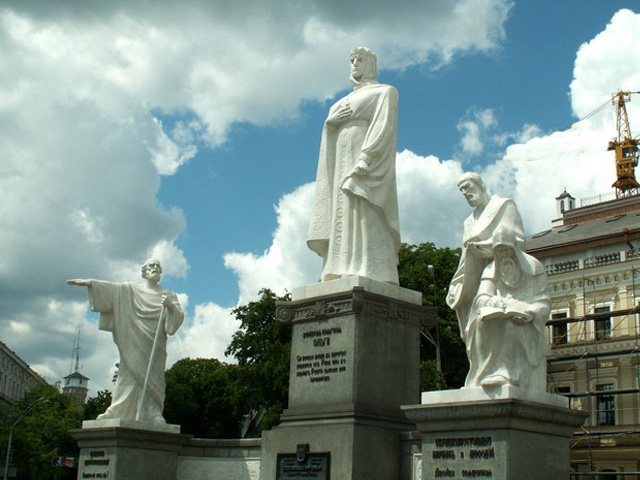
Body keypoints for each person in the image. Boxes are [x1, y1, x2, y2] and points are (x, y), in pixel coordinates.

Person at [307, 46, 400, 284]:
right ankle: (339, 266)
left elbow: (383, 127)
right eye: (352, 60)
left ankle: (372, 269)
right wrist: (330, 124)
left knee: (364, 209)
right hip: (341, 161)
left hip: (366, 164)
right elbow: (329, 130)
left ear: (371, 63)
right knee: (343, 211)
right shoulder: (340, 103)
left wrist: (366, 159)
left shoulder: (385, 92)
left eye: (360, 59)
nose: (355, 64)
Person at [67, 259, 183, 423]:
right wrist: (90, 284)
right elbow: (113, 290)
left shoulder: (168, 294)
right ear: (144, 271)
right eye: (152, 265)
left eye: (158, 266)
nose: (155, 268)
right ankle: (117, 409)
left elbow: (174, 323)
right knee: (128, 373)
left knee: (154, 376)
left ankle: (153, 412)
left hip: (155, 343)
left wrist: (170, 306)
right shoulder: (131, 290)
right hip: (133, 338)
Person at [464, 228, 550, 389]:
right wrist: (491, 302)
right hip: (497, 314)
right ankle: (486, 372)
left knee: (511, 324)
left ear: (515, 249)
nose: (504, 255)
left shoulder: (534, 267)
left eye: (506, 250)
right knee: (481, 322)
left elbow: (544, 303)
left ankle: (509, 373)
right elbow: (482, 297)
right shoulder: (490, 270)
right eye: (499, 251)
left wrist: (531, 313)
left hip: (525, 320)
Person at [446, 173, 525, 345]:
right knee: (474, 331)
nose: (465, 193)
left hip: (500, 275)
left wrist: (488, 247)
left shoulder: (504, 206)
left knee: (495, 329)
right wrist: (456, 283)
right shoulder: (468, 222)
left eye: (467, 187)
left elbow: (517, 240)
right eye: (461, 191)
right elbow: (464, 257)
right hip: (474, 279)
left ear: (480, 185)